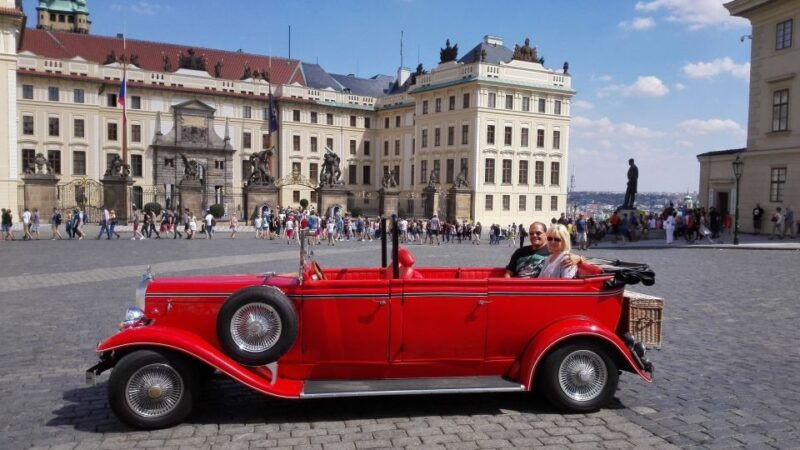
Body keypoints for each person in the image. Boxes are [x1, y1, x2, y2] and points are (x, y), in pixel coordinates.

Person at [504, 222, 582, 278]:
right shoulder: (549, 258)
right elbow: (509, 273)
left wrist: (580, 258)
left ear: (545, 234)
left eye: (557, 239)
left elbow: (566, 285)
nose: (534, 236)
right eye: (550, 239)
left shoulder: (566, 259)